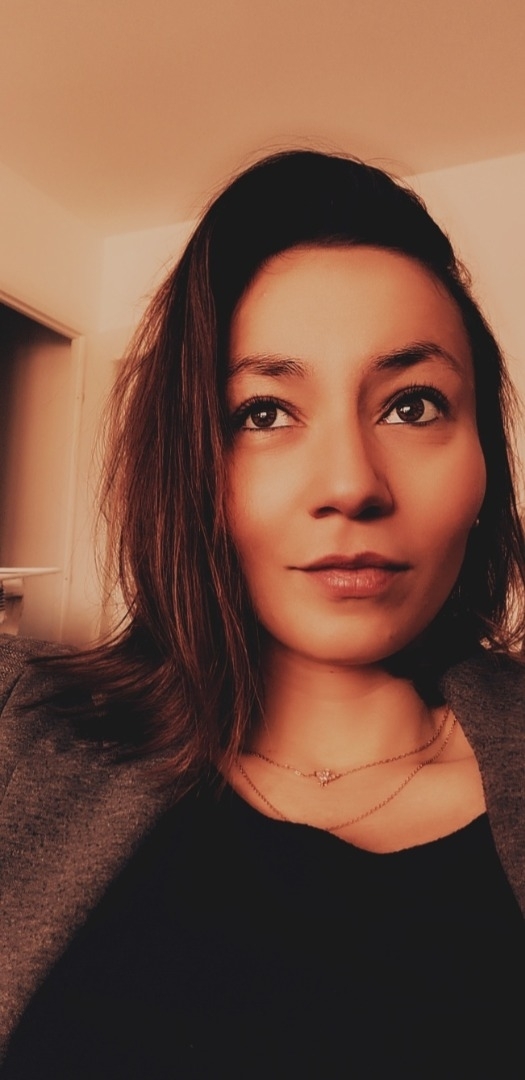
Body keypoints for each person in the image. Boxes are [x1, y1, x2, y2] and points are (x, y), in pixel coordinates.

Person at [0, 150, 524, 1078]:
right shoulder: (20, 731)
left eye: (411, 405)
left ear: (484, 459)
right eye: (264, 413)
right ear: (186, 466)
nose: (350, 485)